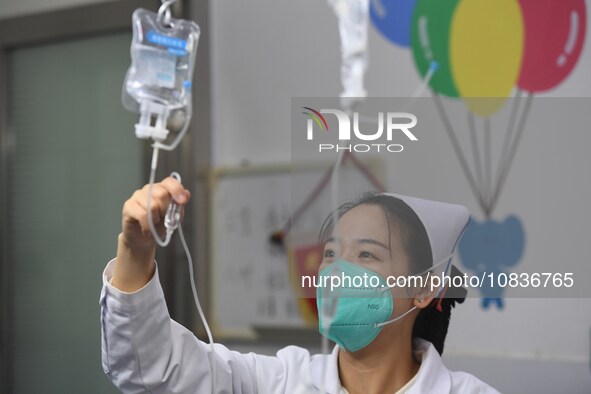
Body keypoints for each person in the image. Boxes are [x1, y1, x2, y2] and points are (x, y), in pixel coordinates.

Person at [100, 177, 500, 393]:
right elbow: (153, 371)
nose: (338, 273)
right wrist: (136, 250)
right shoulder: (278, 383)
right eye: (330, 254)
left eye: (366, 255)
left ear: (425, 289)